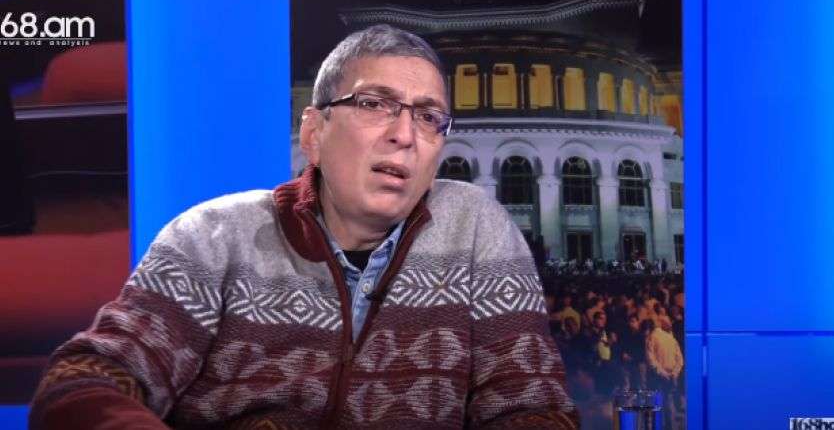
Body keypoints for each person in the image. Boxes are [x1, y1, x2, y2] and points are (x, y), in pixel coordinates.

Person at [29, 25, 579, 429]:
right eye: (375, 103)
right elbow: (84, 380)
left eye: (429, 116)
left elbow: (532, 407)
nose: (405, 135)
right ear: (313, 133)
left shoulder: (476, 228)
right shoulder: (212, 236)